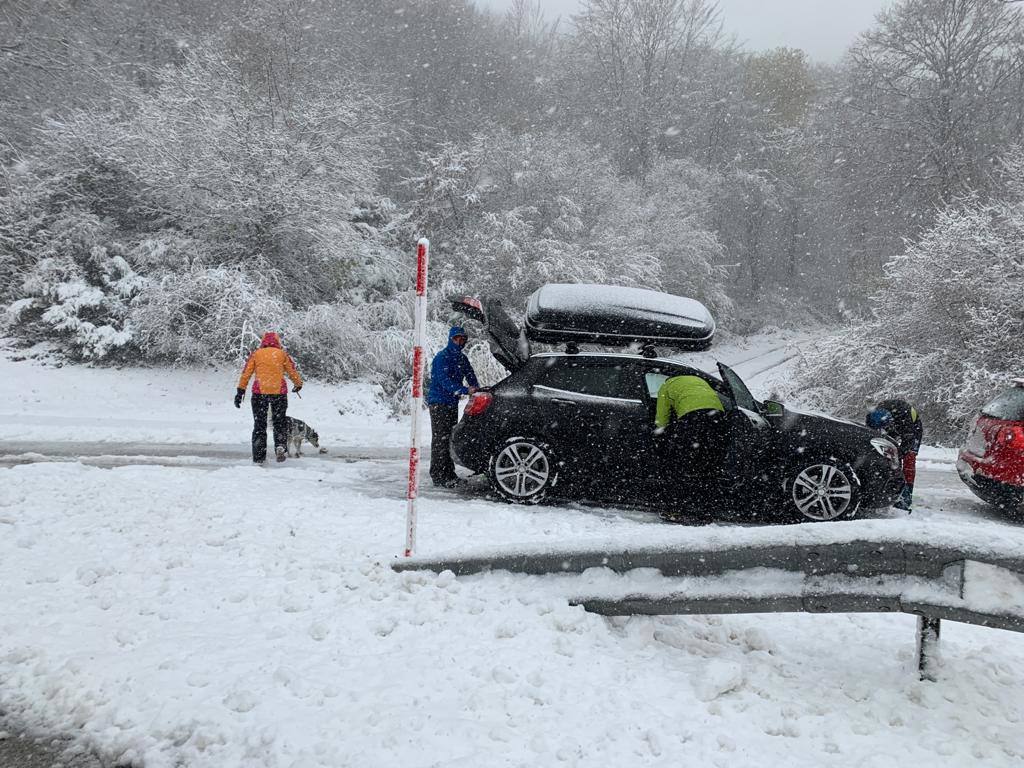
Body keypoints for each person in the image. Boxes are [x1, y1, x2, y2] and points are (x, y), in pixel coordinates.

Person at [235, 332, 303, 464]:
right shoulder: (282, 354)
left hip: (260, 393)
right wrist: (298, 384)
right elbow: (292, 371)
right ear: (277, 342)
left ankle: (259, 457)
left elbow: (246, 373)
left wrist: (240, 391)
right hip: (279, 393)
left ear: (263, 342)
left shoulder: (256, 354)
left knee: (260, 425)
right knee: (279, 422)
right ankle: (280, 446)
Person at [426, 326, 479, 488]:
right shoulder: (441, 358)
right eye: (457, 338)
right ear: (450, 339)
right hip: (438, 402)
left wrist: (476, 388)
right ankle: (438, 475)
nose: (460, 342)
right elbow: (444, 382)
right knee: (440, 440)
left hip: (451, 403)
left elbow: (470, 375)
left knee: (449, 438)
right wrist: (464, 390)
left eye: (462, 339)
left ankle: (449, 473)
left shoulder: (462, 358)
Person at [866, 399, 923, 512]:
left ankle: (905, 496)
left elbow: (908, 441)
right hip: (894, 426)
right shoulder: (872, 416)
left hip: (914, 430)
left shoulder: (904, 417)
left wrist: (899, 455)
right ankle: (891, 489)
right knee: (888, 457)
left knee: (908, 460)